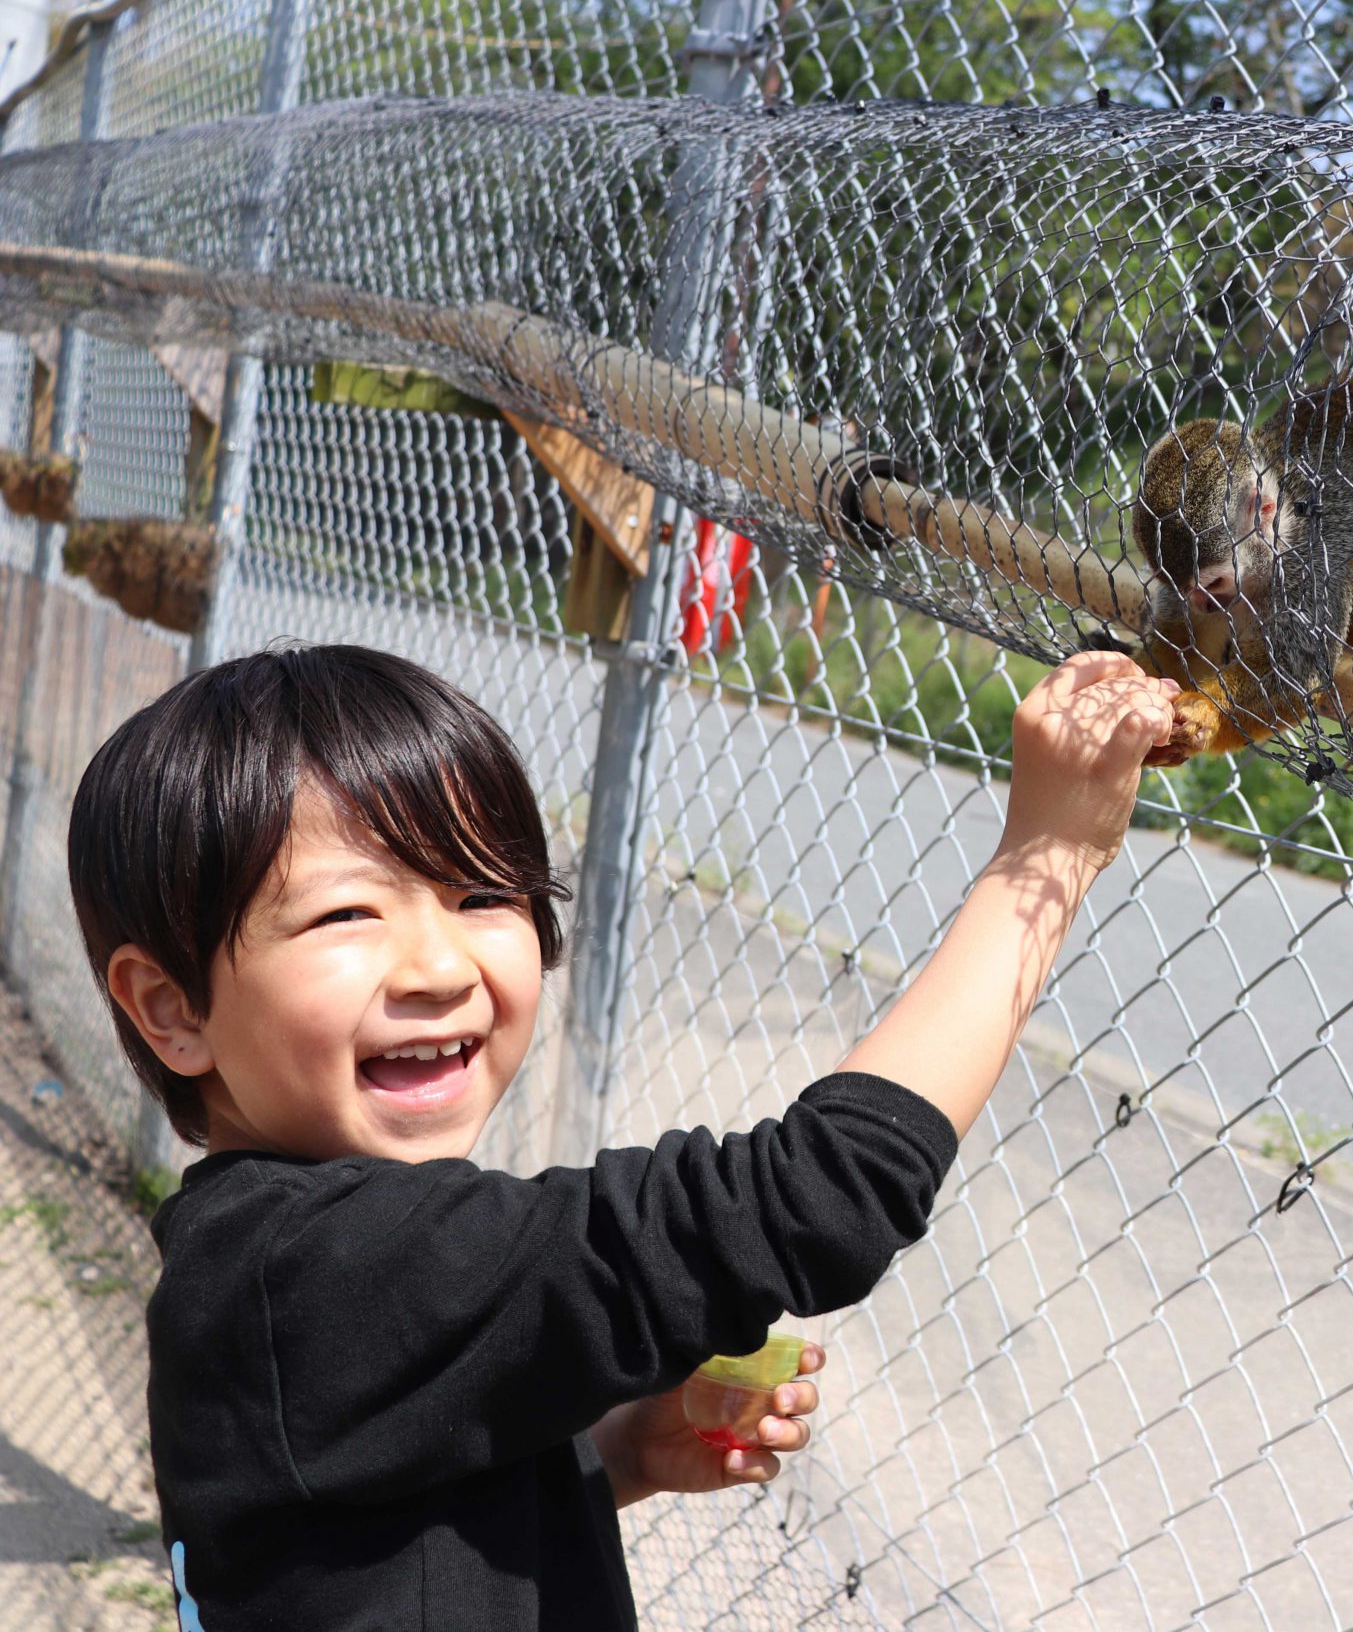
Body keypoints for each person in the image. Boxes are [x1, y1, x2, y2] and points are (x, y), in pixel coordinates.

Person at [66, 642, 1178, 1630]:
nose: (441, 966)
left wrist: (605, 1460)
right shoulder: (320, 1271)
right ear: (172, 1009)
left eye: (481, 896)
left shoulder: (260, 1266)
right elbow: (819, 1196)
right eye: (347, 913)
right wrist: (1048, 858)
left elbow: (364, 1557)